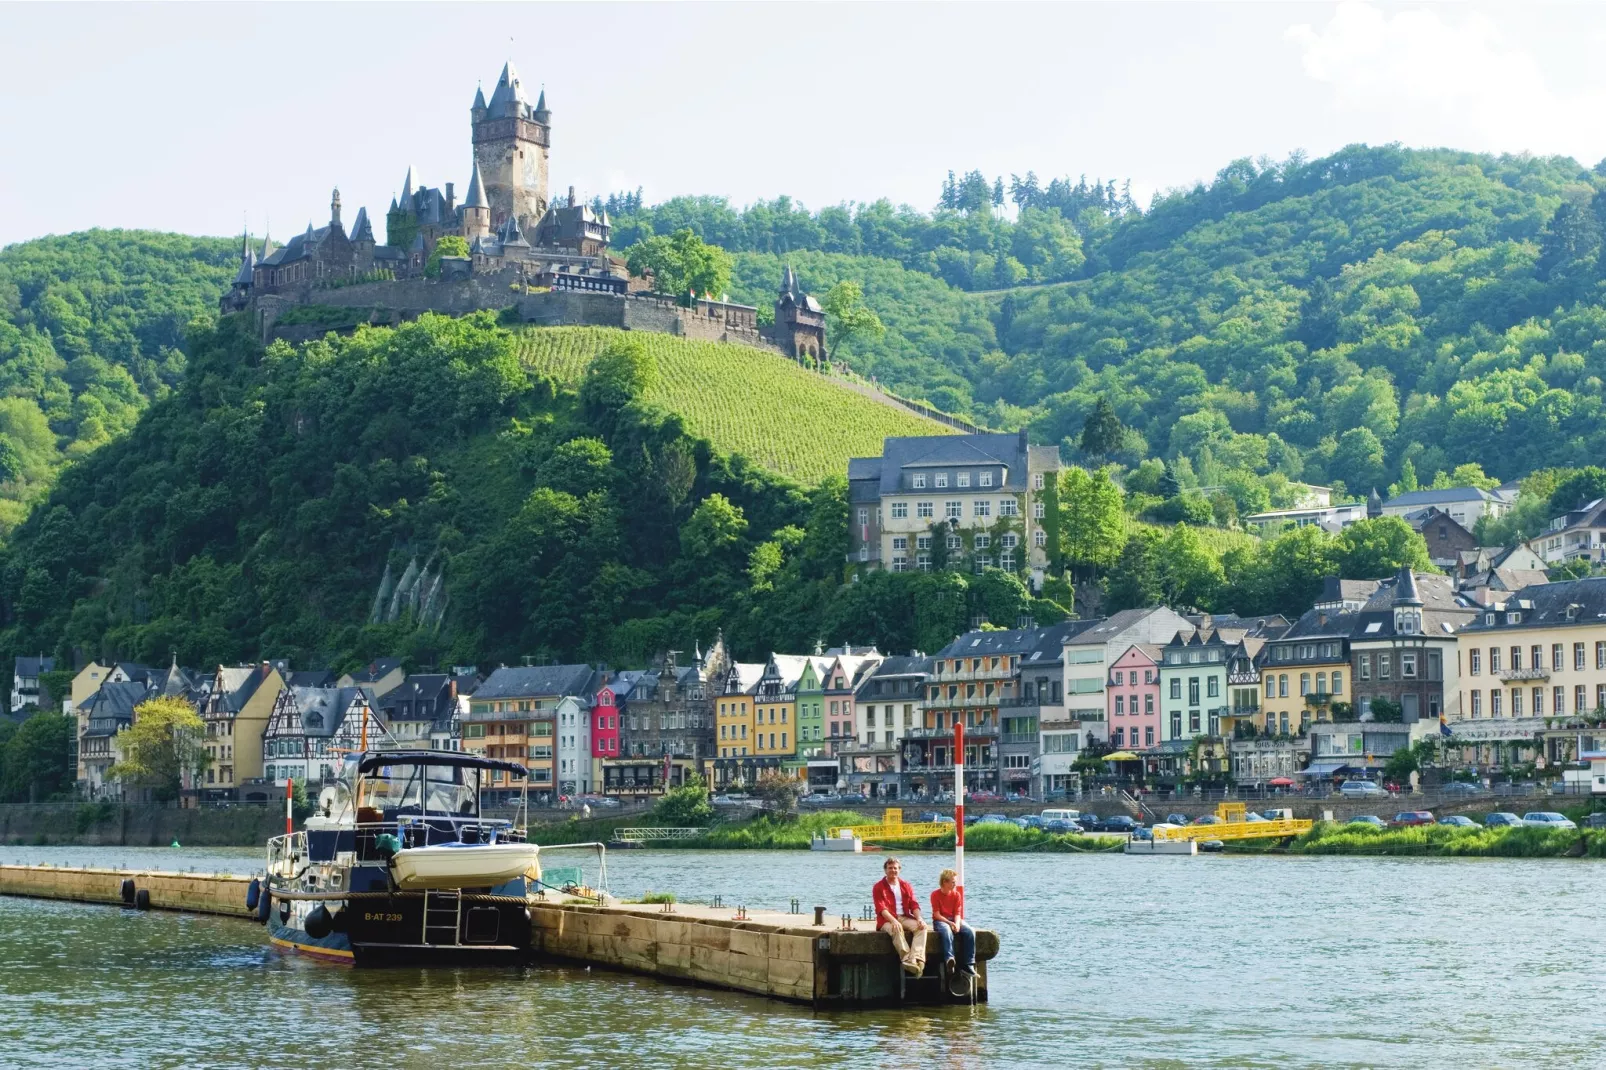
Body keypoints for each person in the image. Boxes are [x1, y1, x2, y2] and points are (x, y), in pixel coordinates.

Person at [872, 856, 927, 977]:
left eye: (895, 868)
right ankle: (907, 959)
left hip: (904, 916)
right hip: (886, 919)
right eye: (890, 868)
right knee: (896, 929)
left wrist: (919, 919)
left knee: (922, 928)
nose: (893, 870)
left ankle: (916, 958)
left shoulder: (906, 885)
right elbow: (881, 908)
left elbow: (914, 904)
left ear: (899, 870)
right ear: (885, 870)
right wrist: (893, 921)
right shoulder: (878, 887)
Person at [928, 868, 975, 977]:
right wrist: (950, 923)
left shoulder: (956, 895)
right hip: (941, 920)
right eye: (952, 882)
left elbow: (957, 913)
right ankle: (949, 959)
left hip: (954, 919)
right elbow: (936, 914)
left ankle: (969, 963)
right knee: (946, 931)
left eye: (955, 882)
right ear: (945, 882)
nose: (955, 884)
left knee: (970, 931)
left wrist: (957, 924)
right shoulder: (935, 894)